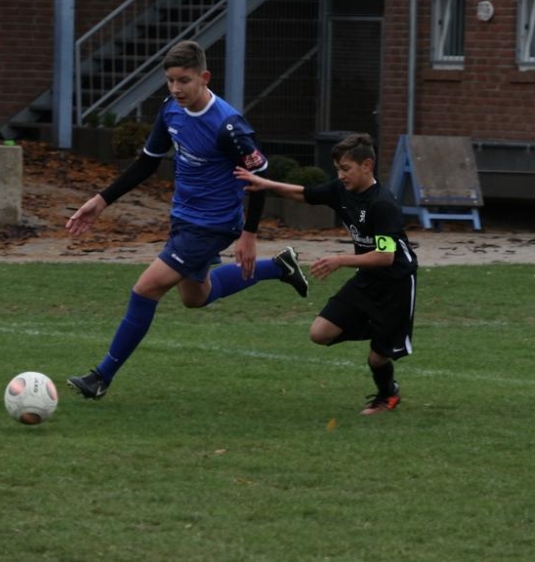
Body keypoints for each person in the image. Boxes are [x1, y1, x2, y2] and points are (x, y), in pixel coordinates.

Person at [65, 40, 308, 399]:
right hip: (183, 217)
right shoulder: (170, 110)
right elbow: (147, 162)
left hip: (213, 224)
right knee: (195, 296)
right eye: (170, 80)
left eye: (184, 80)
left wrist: (249, 234)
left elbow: (260, 177)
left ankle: (101, 376)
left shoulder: (229, 126)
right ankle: (279, 267)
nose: (176, 88)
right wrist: (101, 201)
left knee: (146, 288)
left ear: (204, 78)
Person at [235, 133, 418, 415]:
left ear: (367, 165)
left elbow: (385, 256)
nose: (340, 175)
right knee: (319, 333)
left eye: (346, 169)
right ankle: (379, 328)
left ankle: (388, 395)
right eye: (338, 169)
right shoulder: (342, 191)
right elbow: (304, 194)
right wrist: (266, 185)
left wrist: (340, 260)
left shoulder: (382, 204)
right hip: (367, 279)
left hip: (396, 285)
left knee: (377, 359)